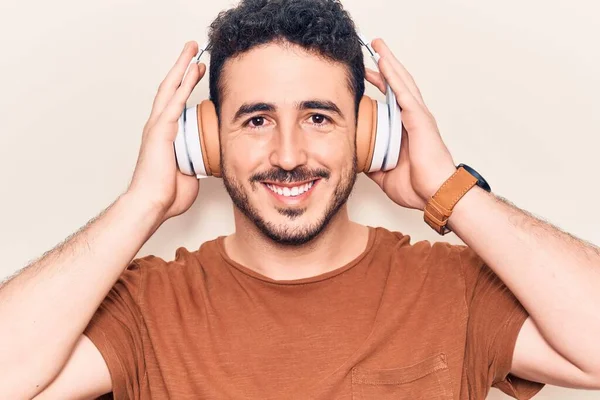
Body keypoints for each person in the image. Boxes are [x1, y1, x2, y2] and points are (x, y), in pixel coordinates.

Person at [1, 0, 599, 399]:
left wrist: (449, 191)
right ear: (205, 141)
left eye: (318, 117)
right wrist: (142, 204)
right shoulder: (147, 308)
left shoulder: (454, 288)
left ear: (370, 134)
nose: (288, 154)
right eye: (256, 120)